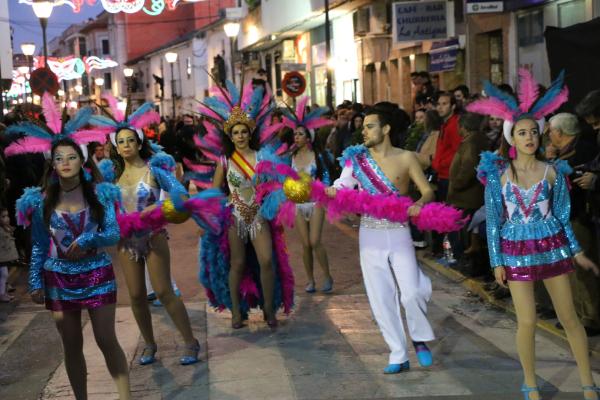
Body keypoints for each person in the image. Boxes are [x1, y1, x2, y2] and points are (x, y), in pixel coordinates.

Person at [469, 70, 600, 400]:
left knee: (569, 318)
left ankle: (588, 383)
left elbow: (563, 218)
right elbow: (496, 224)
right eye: (521, 132)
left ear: (540, 136)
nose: (529, 137)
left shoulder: (554, 172)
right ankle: (530, 382)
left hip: (553, 249)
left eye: (533, 132)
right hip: (515, 253)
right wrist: (496, 262)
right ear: (512, 137)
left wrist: (576, 251)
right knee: (526, 321)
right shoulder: (499, 176)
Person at [8, 94, 131, 399]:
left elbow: (113, 233)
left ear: (83, 159)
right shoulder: (41, 202)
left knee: (105, 338)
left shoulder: (100, 194)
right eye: (59, 158)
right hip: (59, 279)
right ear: (51, 162)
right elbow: (38, 246)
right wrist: (35, 281)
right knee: (71, 344)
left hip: (97, 273)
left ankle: (125, 395)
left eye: (72, 157)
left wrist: (90, 239)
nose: (65, 163)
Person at [325, 102, 436, 374]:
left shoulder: (407, 157)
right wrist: (330, 191)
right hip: (370, 233)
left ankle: (419, 336)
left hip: (398, 232)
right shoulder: (356, 159)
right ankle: (398, 353)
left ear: (385, 129)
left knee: (411, 292)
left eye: (370, 126)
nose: (364, 131)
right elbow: (342, 185)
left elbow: (428, 190)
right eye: (363, 127)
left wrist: (419, 203)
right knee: (381, 296)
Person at [90, 97, 201, 366]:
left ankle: (190, 341)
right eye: (121, 141)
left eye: (130, 140)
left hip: (153, 237)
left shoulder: (155, 169)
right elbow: (99, 202)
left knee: (163, 292)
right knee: (136, 295)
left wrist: (160, 207)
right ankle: (149, 344)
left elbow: (180, 194)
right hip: (125, 241)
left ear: (139, 143)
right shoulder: (110, 174)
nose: (126, 145)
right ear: (115, 146)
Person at [197, 80, 294, 329]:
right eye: (235, 133)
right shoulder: (225, 161)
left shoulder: (263, 157)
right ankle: (237, 312)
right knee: (237, 263)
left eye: (244, 131)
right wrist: (210, 217)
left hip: (259, 215)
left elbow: (276, 184)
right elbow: (214, 193)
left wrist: (276, 197)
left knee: (266, 261)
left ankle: (269, 310)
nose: (240, 136)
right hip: (234, 216)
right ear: (229, 136)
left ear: (250, 133)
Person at [545, 113, 600, 335]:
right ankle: (578, 314)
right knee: (572, 269)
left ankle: (591, 319)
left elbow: (561, 179)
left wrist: (550, 161)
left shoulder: (582, 150)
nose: (548, 135)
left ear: (559, 133)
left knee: (584, 269)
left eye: (551, 131)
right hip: (568, 216)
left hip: (580, 216)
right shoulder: (567, 150)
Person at [282, 97, 335, 293]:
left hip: (316, 203)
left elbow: (326, 178)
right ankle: (311, 280)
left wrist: (322, 189)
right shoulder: (291, 157)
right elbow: (286, 179)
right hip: (297, 204)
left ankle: (327, 276)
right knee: (305, 245)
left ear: (309, 137)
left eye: (300, 134)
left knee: (315, 241)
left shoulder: (318, 156)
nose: (296, 137)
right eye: (295, 134)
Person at [0, 207, 18, 302]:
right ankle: (2, 294)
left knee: (4, 275)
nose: (7, 218)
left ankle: (3, 292)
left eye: (7, 216)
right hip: (1, 257)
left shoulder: (5, 228)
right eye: (3, 216)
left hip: (4, 257)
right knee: (4, 274)